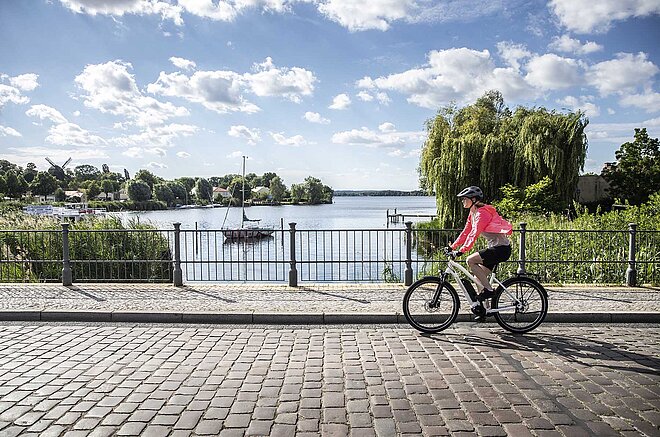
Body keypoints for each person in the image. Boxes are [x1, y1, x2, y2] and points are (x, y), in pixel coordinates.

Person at [448, 186, 512, 320]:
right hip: (495, 248)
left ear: (473, 199)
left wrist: (462, 251)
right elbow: (466, 232)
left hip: (501, 249)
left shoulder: (482, 213)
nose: (462, 201)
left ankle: (489, 290)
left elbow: (474, 233)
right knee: (478, 278)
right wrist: (453, 247)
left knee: (470, 260)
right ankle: (485, 310)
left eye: (465, 199)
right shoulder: (473, 212)